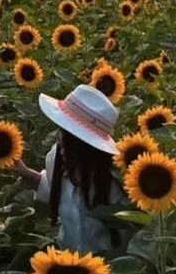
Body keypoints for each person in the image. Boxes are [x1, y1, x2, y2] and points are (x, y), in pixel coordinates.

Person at [10, 84, 128, 255]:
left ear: (91, 149)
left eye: (73, 144)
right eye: (62, 135)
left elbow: (133, 233)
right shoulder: (56, 158)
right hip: (69, 266)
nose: (63, 147)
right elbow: (53, 190)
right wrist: (26, 173)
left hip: (111, 271)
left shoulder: (115, 180)